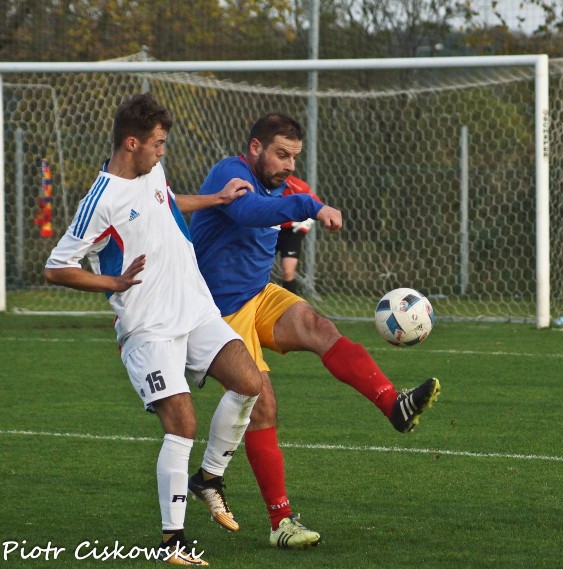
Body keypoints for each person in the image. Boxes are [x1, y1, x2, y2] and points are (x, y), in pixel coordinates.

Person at [188, 113, 441, 548]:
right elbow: (250, 213)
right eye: (281, 155)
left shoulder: (289, 187)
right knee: (262, 404)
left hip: (257, 294)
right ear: (255, 149)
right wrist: (310, 206)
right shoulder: (231, 173)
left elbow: (292, 215)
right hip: (217, 312)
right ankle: (281, 523)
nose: (289, 165)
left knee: (317, 325)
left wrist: (312, 208)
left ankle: (393, 405)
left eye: (295, 157)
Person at [44, 93, 264, 566]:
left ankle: (208, 478)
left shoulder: (151, 173)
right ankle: (173, 543)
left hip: (194, 308)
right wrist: (112, 282)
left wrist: (217, 199)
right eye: (158, 143)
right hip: (149, 328)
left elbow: (165, 203)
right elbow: (56, 267)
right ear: (131, 143)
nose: (162, 151)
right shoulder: (100, 200)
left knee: (250, 382)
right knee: (181, 424)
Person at [274, 175, 321, 294]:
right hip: (268, 229)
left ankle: (290, 307)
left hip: (291, 232)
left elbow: (317, 206)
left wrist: (305, 223)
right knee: (257, 269)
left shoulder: (297, 186)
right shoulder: (259, 183)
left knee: (288, 270)